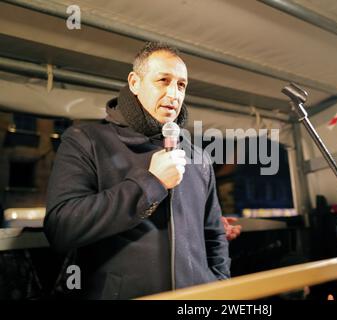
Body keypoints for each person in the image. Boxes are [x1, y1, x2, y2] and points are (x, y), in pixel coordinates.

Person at [44, 42, 231, 299]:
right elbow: (61, 228)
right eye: (163, 80)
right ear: (134, 82)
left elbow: (213, 235)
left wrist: (219, 286)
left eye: (181, 85)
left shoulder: (198, 157)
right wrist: (150, 184)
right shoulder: (85, 140)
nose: (174, 94)